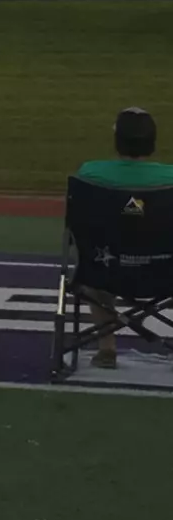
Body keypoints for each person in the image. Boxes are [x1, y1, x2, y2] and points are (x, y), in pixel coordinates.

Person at [76, 107, 173, 368]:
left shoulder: (89, 174)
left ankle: (107, 348)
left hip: (106, 272)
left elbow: (77, 230)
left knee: (96, 266)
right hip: (166, 273)